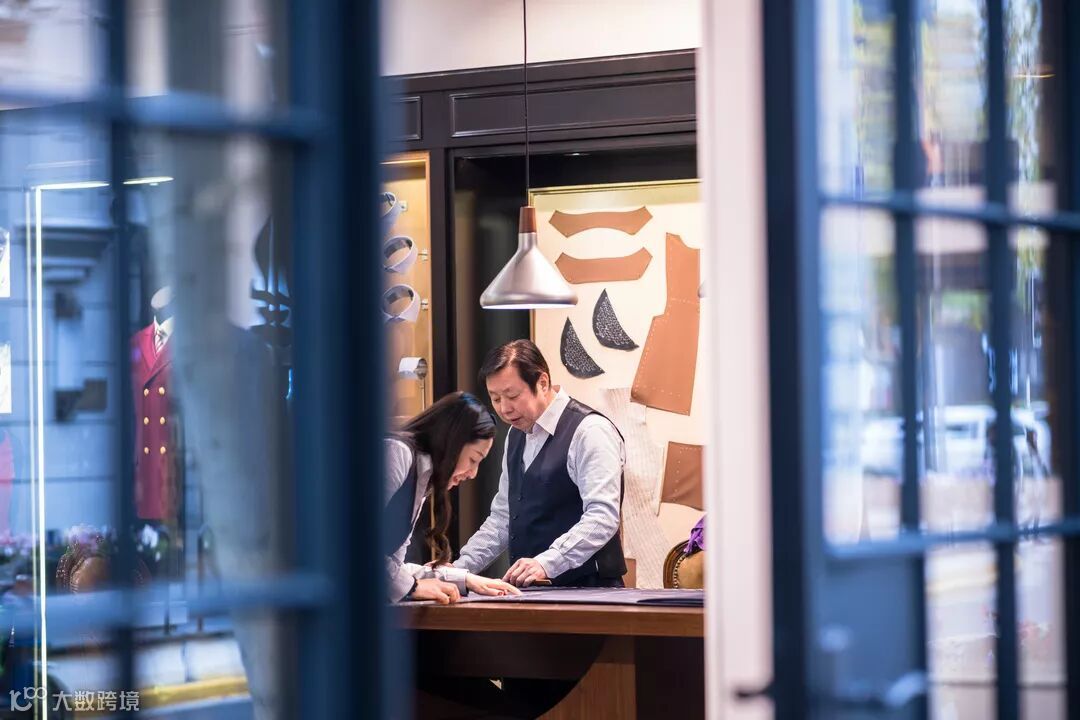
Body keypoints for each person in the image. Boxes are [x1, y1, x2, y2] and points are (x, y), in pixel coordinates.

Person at [453, 340, 626, 588]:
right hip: (533, 593)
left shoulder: (590, 431)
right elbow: (503, 517)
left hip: (590, 591)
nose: (504, 408)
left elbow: (603, 516)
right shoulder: (515, 434)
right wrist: (459, 570)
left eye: (512, 396)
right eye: (495, 398)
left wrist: (547, 563)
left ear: (542, 383)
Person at [385, 392, 521, 603]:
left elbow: (393, 568)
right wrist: (413, 586)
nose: (473, 474)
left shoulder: (421, 478)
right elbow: (354, 545)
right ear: (451, 442)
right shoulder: (397, 453)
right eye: (473, 459)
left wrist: (465, 579)